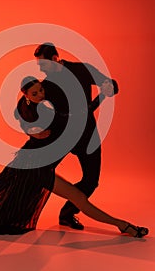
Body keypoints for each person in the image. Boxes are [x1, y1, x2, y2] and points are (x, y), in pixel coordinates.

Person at [0, 77, 148, 238]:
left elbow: (18, 112)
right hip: (35, 165)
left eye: (41, 90)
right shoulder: (45, 111)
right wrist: (102, 95)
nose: (41, 94)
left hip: (30, 161)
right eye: (35, 93)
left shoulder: (29, 106)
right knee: (78, 198)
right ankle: (123, 226)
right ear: (26, 95)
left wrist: (28, 129)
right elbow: (83, 113)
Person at [34, 42, 119, 230]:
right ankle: (18, 208)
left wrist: (108, 86)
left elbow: (112, 84)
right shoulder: (46, 85)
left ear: (55, 58)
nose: (42, 69)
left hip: (87, 133)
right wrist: (31, 129)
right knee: (37, 172)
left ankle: (67, 213)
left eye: (44, 64)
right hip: (60, 134)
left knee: (91, 180)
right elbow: (26, 106)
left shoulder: (81, 70)